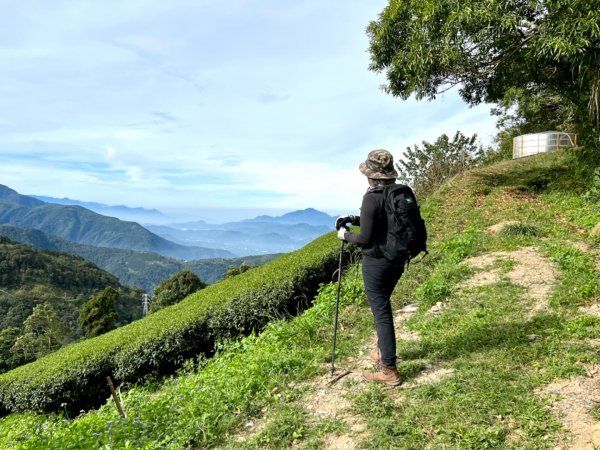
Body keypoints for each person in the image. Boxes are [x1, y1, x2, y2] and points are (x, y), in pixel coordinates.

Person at [336, 149, 404, 386]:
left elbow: (364, 239)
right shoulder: (398, 193)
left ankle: (389, 369)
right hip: (398, 259)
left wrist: (345, 235)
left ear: (370, 175)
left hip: (377, 263)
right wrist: (356, 219)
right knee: (383, 307)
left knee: (381, 312)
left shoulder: (371, 196)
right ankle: (383, 352)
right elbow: (384, 220)